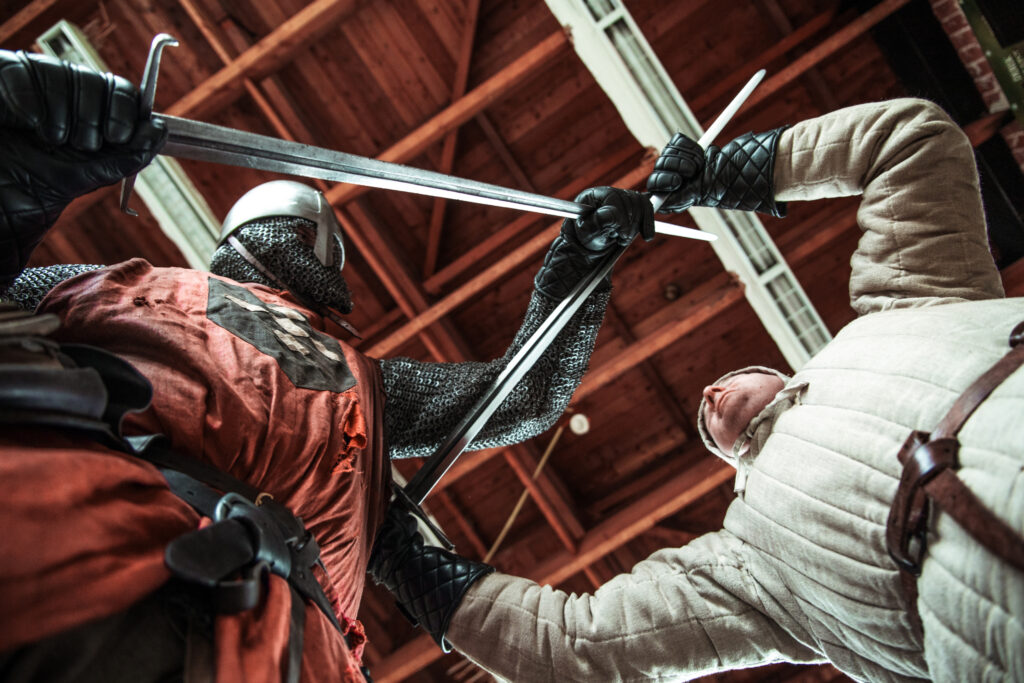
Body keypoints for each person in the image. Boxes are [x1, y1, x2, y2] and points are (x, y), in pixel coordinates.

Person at [0, 49, 654, 681]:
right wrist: (24, 179)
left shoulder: (367, 382)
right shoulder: (124, 282)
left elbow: (527, 395)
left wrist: (581, 268)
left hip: (277, 638)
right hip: (88, 528)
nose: (290, 244)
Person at [367, 97, 1024, 682]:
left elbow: (911, 140)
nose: (709, 392)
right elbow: (573, 647)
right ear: (731, 467)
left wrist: (724, 173)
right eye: (707, 420)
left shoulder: (910, 298)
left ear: (783, 371)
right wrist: (409, 566)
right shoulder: (748, 565)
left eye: (724, 378)